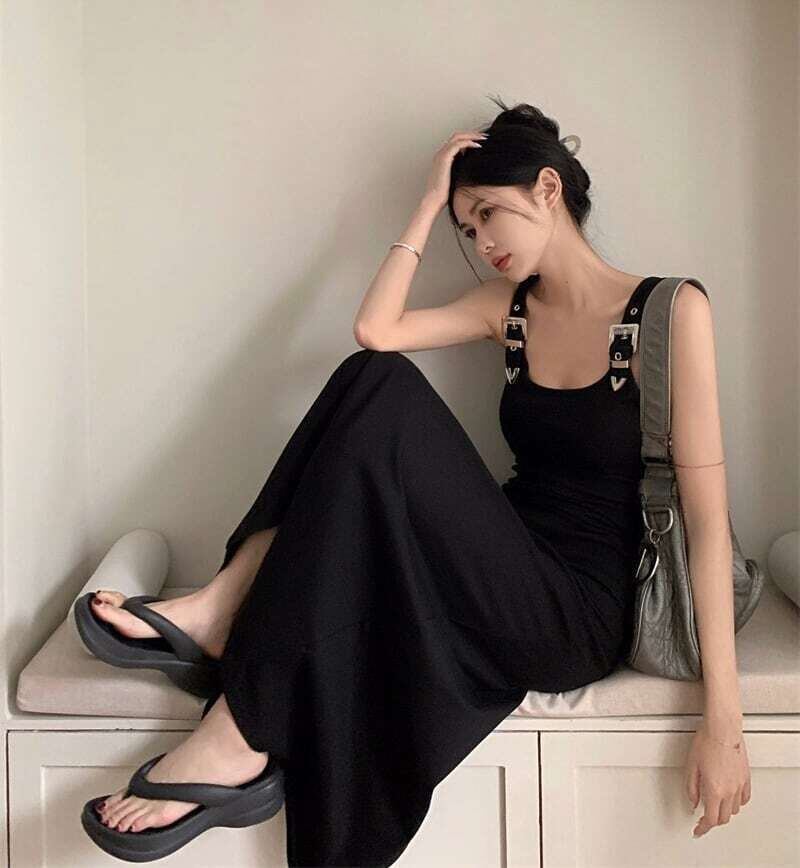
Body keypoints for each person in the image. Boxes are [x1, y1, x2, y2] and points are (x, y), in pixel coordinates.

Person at [83, 97, 750, 864]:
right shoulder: (509, 311)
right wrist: (430, 204)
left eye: (488, 214)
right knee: (371, 376)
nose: (481, 244)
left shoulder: (670, 312)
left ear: (547, 189)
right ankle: (223, 616)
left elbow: (706, 523)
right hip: (501, 560)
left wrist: (724, 724)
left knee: (385, 389)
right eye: (466, 229)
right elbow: (377, 330)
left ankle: (232, 712)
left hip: (574, 615)